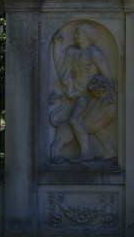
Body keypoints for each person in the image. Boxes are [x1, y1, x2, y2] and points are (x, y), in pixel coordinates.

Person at [49, 23, 116, 163]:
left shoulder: (94, 53)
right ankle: (109, 150)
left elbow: (107, 76)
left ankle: (86, 153)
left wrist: (108, 96)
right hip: (77, 91)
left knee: (75, 120)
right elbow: (60, 63)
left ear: (87, 35)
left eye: (78, 33)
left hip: (91, 94)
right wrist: (57, 44)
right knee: (90, 123)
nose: (75, 36)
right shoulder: (72, 51)